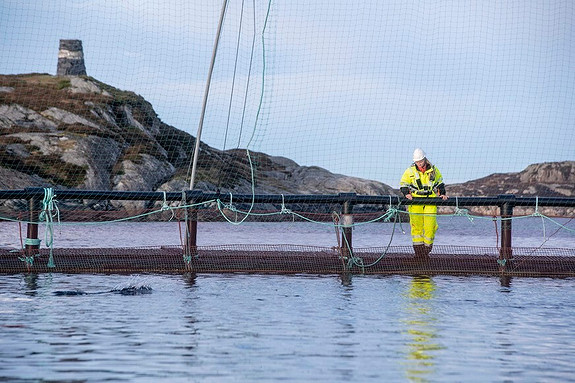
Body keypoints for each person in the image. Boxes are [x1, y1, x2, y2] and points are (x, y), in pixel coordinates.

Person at [400, 148, 448, 258]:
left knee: (430, 226)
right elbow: (403, 184)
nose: (419, 163)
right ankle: (418, 252)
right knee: (416, 226)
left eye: (421, 161)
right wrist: (406, 193)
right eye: (417, 162)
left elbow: (439, 183)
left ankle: (426, 250)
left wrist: (442, 194)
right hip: (415, 200)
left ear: (425, 159)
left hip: (430, 200)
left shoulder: (433, 170)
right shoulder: (410, 171)